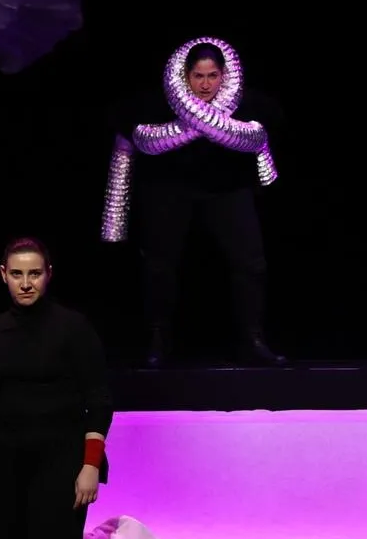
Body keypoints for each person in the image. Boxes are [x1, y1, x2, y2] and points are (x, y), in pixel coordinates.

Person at [110, 41, 286, 367]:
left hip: (227, 189)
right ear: (186, 75)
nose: (205, 84)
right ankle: (158, 338)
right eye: (198, 76)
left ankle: (253, 338)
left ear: (223, 76)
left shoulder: (246, 103)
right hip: (168, 189)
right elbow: (136, 135)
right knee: (159, 265)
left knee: (251, 263)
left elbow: (262, 132)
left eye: (212, 76)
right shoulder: (157, 103)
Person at [0, 238, 113, 539]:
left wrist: (90, 465)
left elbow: (99, 400)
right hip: (7, 462)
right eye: (17, 274)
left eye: (34, 274)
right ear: (3, 275)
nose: (26, 283)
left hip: (61, 460)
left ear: (49, 274)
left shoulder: (73, 328)